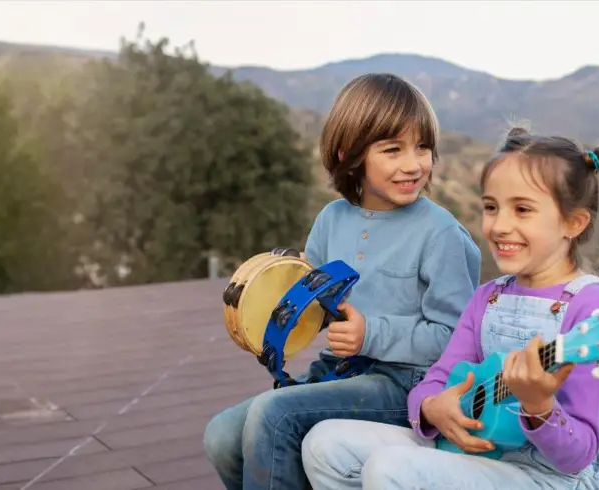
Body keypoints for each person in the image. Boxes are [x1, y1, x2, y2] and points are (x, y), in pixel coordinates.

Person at [301, 125, 599, 490]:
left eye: (522, 209)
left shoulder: (591, 305)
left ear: (573, 223)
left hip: (548, 477)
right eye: (491, 207)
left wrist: (539, 404)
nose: (500, 225)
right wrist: (432, 407)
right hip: (474, 451)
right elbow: (436, 377)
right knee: (324, 444)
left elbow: (578, 456)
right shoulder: (488, 296)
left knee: (391, 467)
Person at [202, 73, 484, 490]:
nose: (414, 164)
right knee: (221, 436)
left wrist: (370, 333)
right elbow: (315, 309)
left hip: (407, 383)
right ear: (348, 153)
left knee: (274, 416)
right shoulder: (332, 220)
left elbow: (457, 339)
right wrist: (285, 297)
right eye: (393, 150)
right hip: (339, 371)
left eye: (422, 147)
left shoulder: (439, 233)